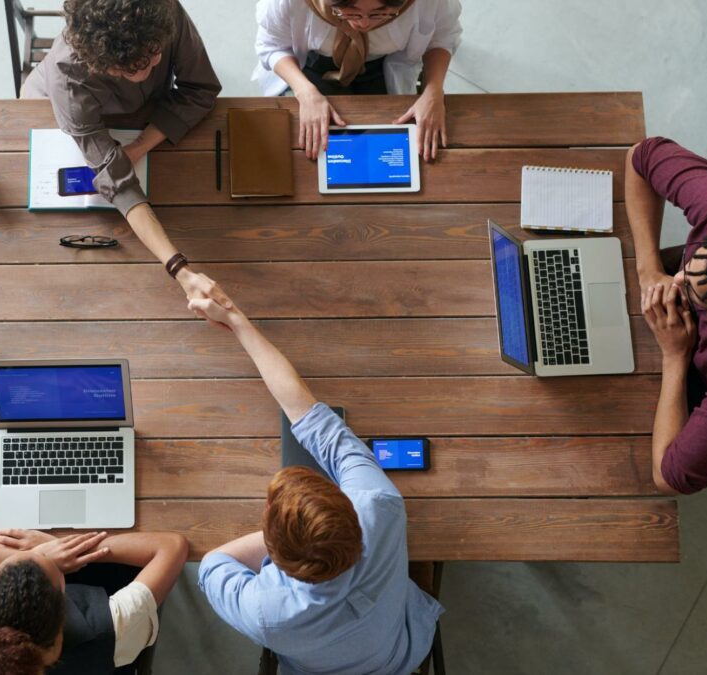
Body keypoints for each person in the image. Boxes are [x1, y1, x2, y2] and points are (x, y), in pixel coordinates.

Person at [190, 288, 442, 674]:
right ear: (347, 507)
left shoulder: (265, 612)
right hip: (400, 652)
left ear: (273, 554)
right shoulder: (378, 505)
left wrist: (235, 320)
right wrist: (238, 321)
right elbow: (312, 418)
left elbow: (212, 565)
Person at [23, 0, 230, 309]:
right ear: (104, 65)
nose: (158, 61)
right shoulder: (69, 77)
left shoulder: (161, 12)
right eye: (141, 66)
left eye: (156, 51)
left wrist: (138, 147)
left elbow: (200, 89)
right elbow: (117, 181)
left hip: (142, 114)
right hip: (57, 111)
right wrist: (180, 270)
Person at [625, 137, 707, 495]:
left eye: (692, 292)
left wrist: (675, 356)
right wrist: (648, 270)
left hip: (687, 363)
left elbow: (670, 477)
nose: (677, 279)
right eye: (689, 267)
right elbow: (641, 155)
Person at [0, 529, 188, 674]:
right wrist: (65, 547)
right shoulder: (114, 629)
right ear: (64, 605)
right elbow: (173, 546)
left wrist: (39, 556)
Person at [254, 0, 463, 160]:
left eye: (379, 13)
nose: (363, 23)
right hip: (312, 64)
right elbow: (272, 45)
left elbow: (441, 39)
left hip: (381, 64)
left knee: (387, 145)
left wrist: (433, 90)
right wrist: (305, 92)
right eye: (351, 12)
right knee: (307, 144)